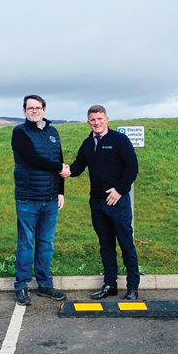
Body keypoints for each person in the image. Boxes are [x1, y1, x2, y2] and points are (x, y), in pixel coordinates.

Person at [61, 104, 140, 300]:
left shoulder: (119, 140)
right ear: (88, 122)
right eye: (93, 120)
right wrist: (67, 170)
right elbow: (79, 166)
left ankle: (132, 287)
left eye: (100, 119)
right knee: (105, 245)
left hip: (117, 201)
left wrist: (120, 190)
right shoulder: (88, 143)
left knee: (126, 244)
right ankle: (110, 285)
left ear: (107, 120)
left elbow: (132, 168)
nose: (96, 123)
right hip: (97, 203)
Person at [11, 94, 67, 306]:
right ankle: (22, 286)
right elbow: (31, 159)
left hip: (50, 198)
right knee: (26, 242)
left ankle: (45, 284)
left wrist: (61, 191)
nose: (34, 111)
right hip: (28, 198)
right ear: (24, 111)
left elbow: (58, 161)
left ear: (44, 109)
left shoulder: (53, 132)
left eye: (37, 107)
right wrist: (59, 168)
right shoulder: (19, 132)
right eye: (29, 108)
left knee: (46, 243)